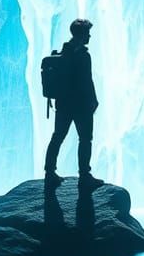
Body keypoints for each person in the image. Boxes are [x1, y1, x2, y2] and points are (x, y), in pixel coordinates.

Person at [44, 18, 103, 190]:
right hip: (81, 105)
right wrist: (93, 101)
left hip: (63, 103)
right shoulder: (83, 55)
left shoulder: (63, 52)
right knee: (85, 139)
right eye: (88, 33)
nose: (89, 36)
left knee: (57, 137)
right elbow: (87, 81)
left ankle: (49, 173)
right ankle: (84, 175)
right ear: (81, 34)